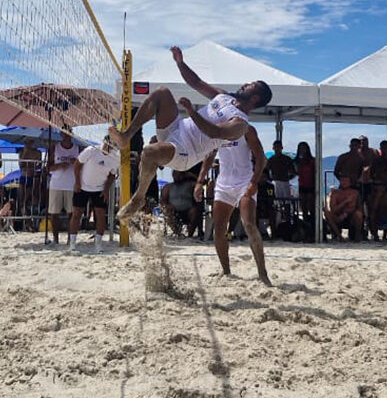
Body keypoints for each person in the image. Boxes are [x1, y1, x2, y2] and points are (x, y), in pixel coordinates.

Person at [112, 46, 272, 222]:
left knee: (149, 151)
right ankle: (126, 135)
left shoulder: (240, 123)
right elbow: (196, 82)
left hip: (187, 151)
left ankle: (138, 197)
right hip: (176, 129)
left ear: (255, 98)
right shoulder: (224, 96)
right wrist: (180, 63)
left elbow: (215, 132)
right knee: (161, 92)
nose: (245, 85)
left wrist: (191, 112)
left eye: (250, 86)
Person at [197, 124, 270, 285]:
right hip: (224, 183)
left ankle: (262, 273)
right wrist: (199, 182)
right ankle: (226, 270)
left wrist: (254, 181)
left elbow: (261, 157)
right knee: (219, 228)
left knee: (249, 224)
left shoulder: (247, 129)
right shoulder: (217, 130)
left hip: (245, 181)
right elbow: (209, 156)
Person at [69, 137, 118, 253]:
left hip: (99, 189)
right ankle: (72, 244)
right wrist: (77, 182)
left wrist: (106, 189)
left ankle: (98, 245)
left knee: (100, 216)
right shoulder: (91, 150)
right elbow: (77, 164)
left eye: (112, 145)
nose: (109, 147)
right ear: (104, 142)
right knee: (76, 214)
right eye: (107, 144)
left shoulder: (115, 157)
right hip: (83, 186)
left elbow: (112, 175)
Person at [47, 129, 79, 245]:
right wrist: (59, 165)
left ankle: (70, 239)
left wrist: (76, 162)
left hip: (71, 184)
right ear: (61, 134)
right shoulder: (55, 148)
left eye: (68, 133)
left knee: (72, 213)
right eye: (64, 133)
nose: (66, 136)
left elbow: (83, 166)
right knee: (54, 213)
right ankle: (56, 239)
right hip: (56, 184)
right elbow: (48, 168)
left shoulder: (77, 149)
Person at [367, 140, 387, 241]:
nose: (384, 150)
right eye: (382, 148)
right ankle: (375, 233)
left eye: (386, 148)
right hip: (376, 186)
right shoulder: (376, 160)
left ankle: (385, 234)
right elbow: (371, 173)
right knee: (375, 209)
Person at [160, 170, 201, 238]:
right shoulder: (168, 187)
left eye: (180, 175)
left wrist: (191, 175)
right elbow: (163, 201)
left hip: (187, 211)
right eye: (175, 175)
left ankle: (189, 235)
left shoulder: (190, 185)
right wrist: (167, 206)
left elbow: (202, 182)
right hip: (174, 211)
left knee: (195, 211)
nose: (177, 177)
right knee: (167, 210)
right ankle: (177, 233)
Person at [324, 176, 362, 242]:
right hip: (338, 215)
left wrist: (346, 213)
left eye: (346, 181)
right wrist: (345, 202)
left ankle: (357, 235)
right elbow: (333, 209)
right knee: (327, 213)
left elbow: (359, 207)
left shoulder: (355, 193)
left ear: (350, 182)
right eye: (342, 181)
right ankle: (339, 236)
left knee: (359, 214)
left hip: (350, 216)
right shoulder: (335, 193)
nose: (344, 183)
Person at [294, 142, 317, 223]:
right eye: (300, 148)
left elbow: (315, 173)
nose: (302, 150)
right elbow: (294, 172)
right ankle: (305, 224)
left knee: (311, 206)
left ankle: (313, 224)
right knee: (303, 207)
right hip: (302, 185)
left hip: (311, 185)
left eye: (304, 148)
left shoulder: (312, 161)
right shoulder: (297, 161)